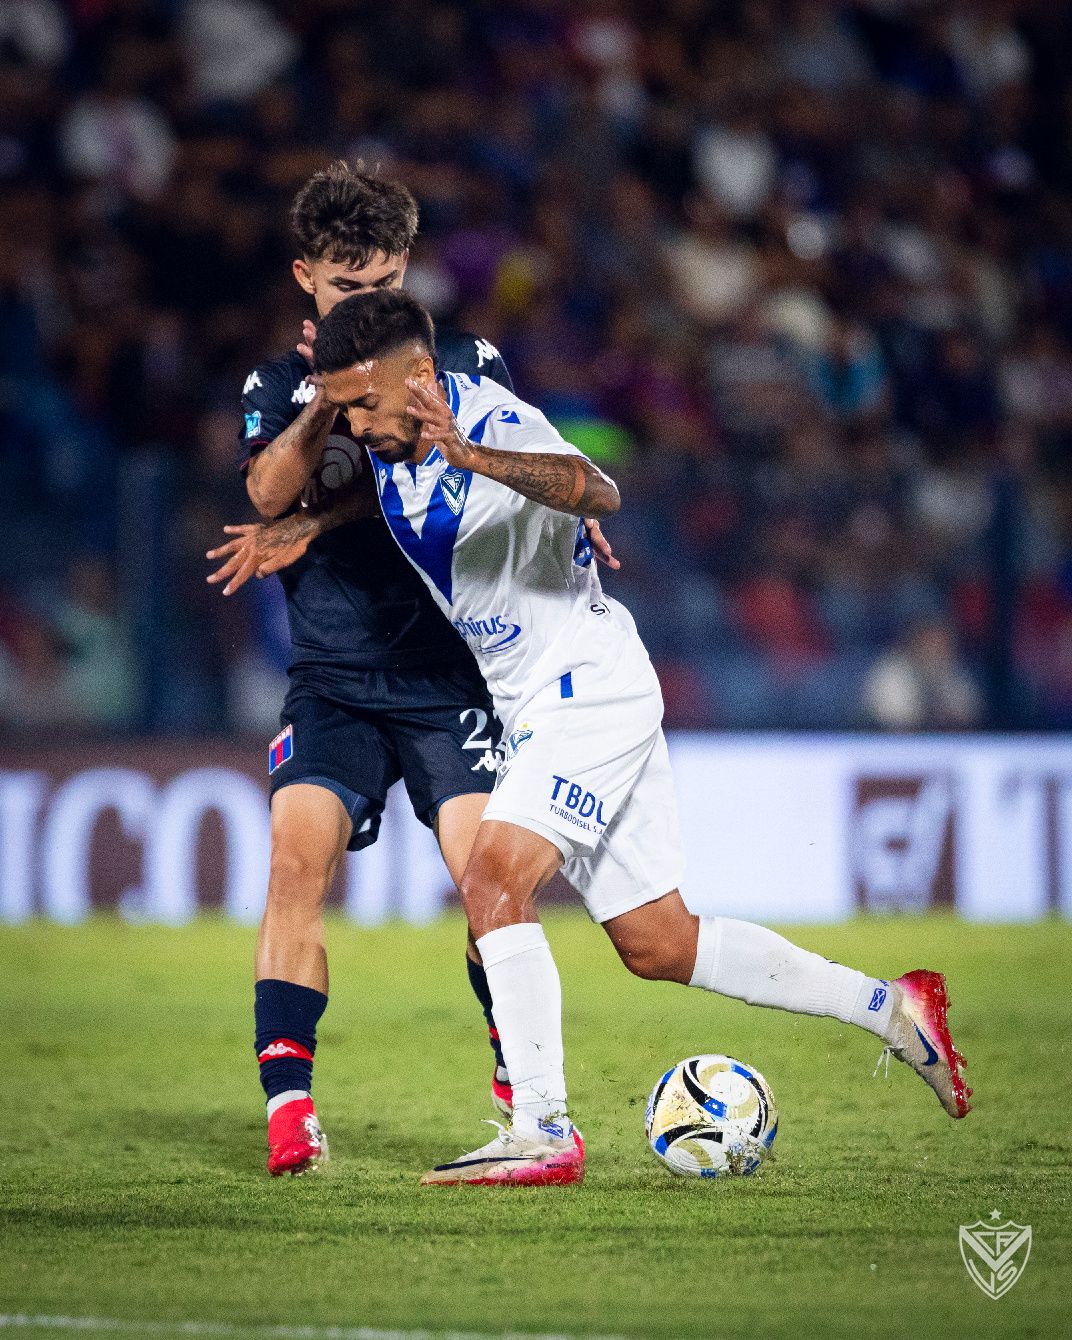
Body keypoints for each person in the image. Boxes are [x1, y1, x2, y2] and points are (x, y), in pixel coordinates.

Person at [311, 289, 973, 1188]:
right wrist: (307, 521)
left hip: (582, 690)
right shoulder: (394, 441)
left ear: (421, 376)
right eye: (344, 409)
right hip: (561, 695)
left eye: (362, 404)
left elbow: (598, 489)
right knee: (659, 943)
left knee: (493, 879)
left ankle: (542, 1129)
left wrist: (475, 457)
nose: (353, 426)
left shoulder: (488, 419)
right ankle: (892, 1008)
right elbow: (405, 494)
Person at [205, 162, 615, 1178]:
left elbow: (515, 466)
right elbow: (267, 493)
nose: (369, 301)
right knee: (295, 864)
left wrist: (567, 522)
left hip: (454, 677)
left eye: (386, 281)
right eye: (347, 287)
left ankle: (523, 1095)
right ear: (306, 278)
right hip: (335, 674)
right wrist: (328, 400)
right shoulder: (276, 385)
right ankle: (291, 1111)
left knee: (490, 882)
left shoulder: (465, 360)